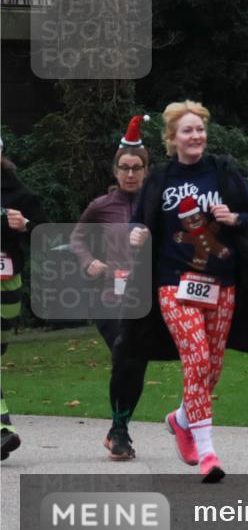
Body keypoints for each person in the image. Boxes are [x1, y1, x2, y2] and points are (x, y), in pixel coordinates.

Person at [125, 100, 248, 482]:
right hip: (174, 283)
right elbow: (137, 223)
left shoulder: (223, 172)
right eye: (188, 130)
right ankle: (208, 453)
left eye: (200, 129)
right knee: (196, 358)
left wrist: (235, 217)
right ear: (172, 138)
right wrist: (137, 234)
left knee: (211, 368)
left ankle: (180, 419)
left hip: (221, 282)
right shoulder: (159, 178)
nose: (196, 136)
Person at [70, 115, 153, 461]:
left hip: (144, 298)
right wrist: (89, 260)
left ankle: (119, 428)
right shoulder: (101, 206)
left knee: (134, 363)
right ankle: (119, 431)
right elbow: (76, 238)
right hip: (106, 297)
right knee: (124, 351)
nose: (130, 173)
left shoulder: (158, 205)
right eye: (124, 167)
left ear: (146, 170)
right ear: (116, 171)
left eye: (136, 167)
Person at [1, 136, 48, 461]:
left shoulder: (17, 192)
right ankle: (4, 430)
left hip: (7, 283)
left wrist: (25, 224)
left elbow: (45, 233)